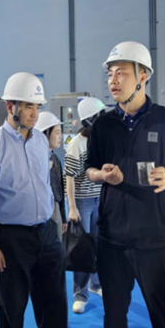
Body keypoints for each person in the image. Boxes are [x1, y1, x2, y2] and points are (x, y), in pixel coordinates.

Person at [86, 42, 165, 328]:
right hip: (111, 240)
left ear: (143, 76)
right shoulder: (103, 124)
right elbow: (89, 169)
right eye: (110, 74)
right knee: (114, 315)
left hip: (154, 240)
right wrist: (102, 176)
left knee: (164, 317)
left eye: (121, 73)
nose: (113, 80)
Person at [0, 73, 68, 328]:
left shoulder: (40, 142)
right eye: (28, 106)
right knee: (11, 312)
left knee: (55, 309)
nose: (35, 113)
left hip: (46, 234)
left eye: (37, 106)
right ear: (10, 106)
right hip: (12, 240)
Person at [64, 97, 107, 314]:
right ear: (90, 121)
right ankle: (80, 294)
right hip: (82, 201)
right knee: (82, 248)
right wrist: (72, 207)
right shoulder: (76, 144)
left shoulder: (101, 140)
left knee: (98, 243)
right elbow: (69, 177)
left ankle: (96, 283)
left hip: (101, 199)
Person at [35, 111, 74, 328]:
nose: (60, 136)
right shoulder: (34, 161)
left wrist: (64, 215)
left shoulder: (56, 159)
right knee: (47, 278)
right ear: (44, 134)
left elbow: (59, 190)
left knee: (57, 274)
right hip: (42, 219)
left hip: (56, 215)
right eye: (57, 132)